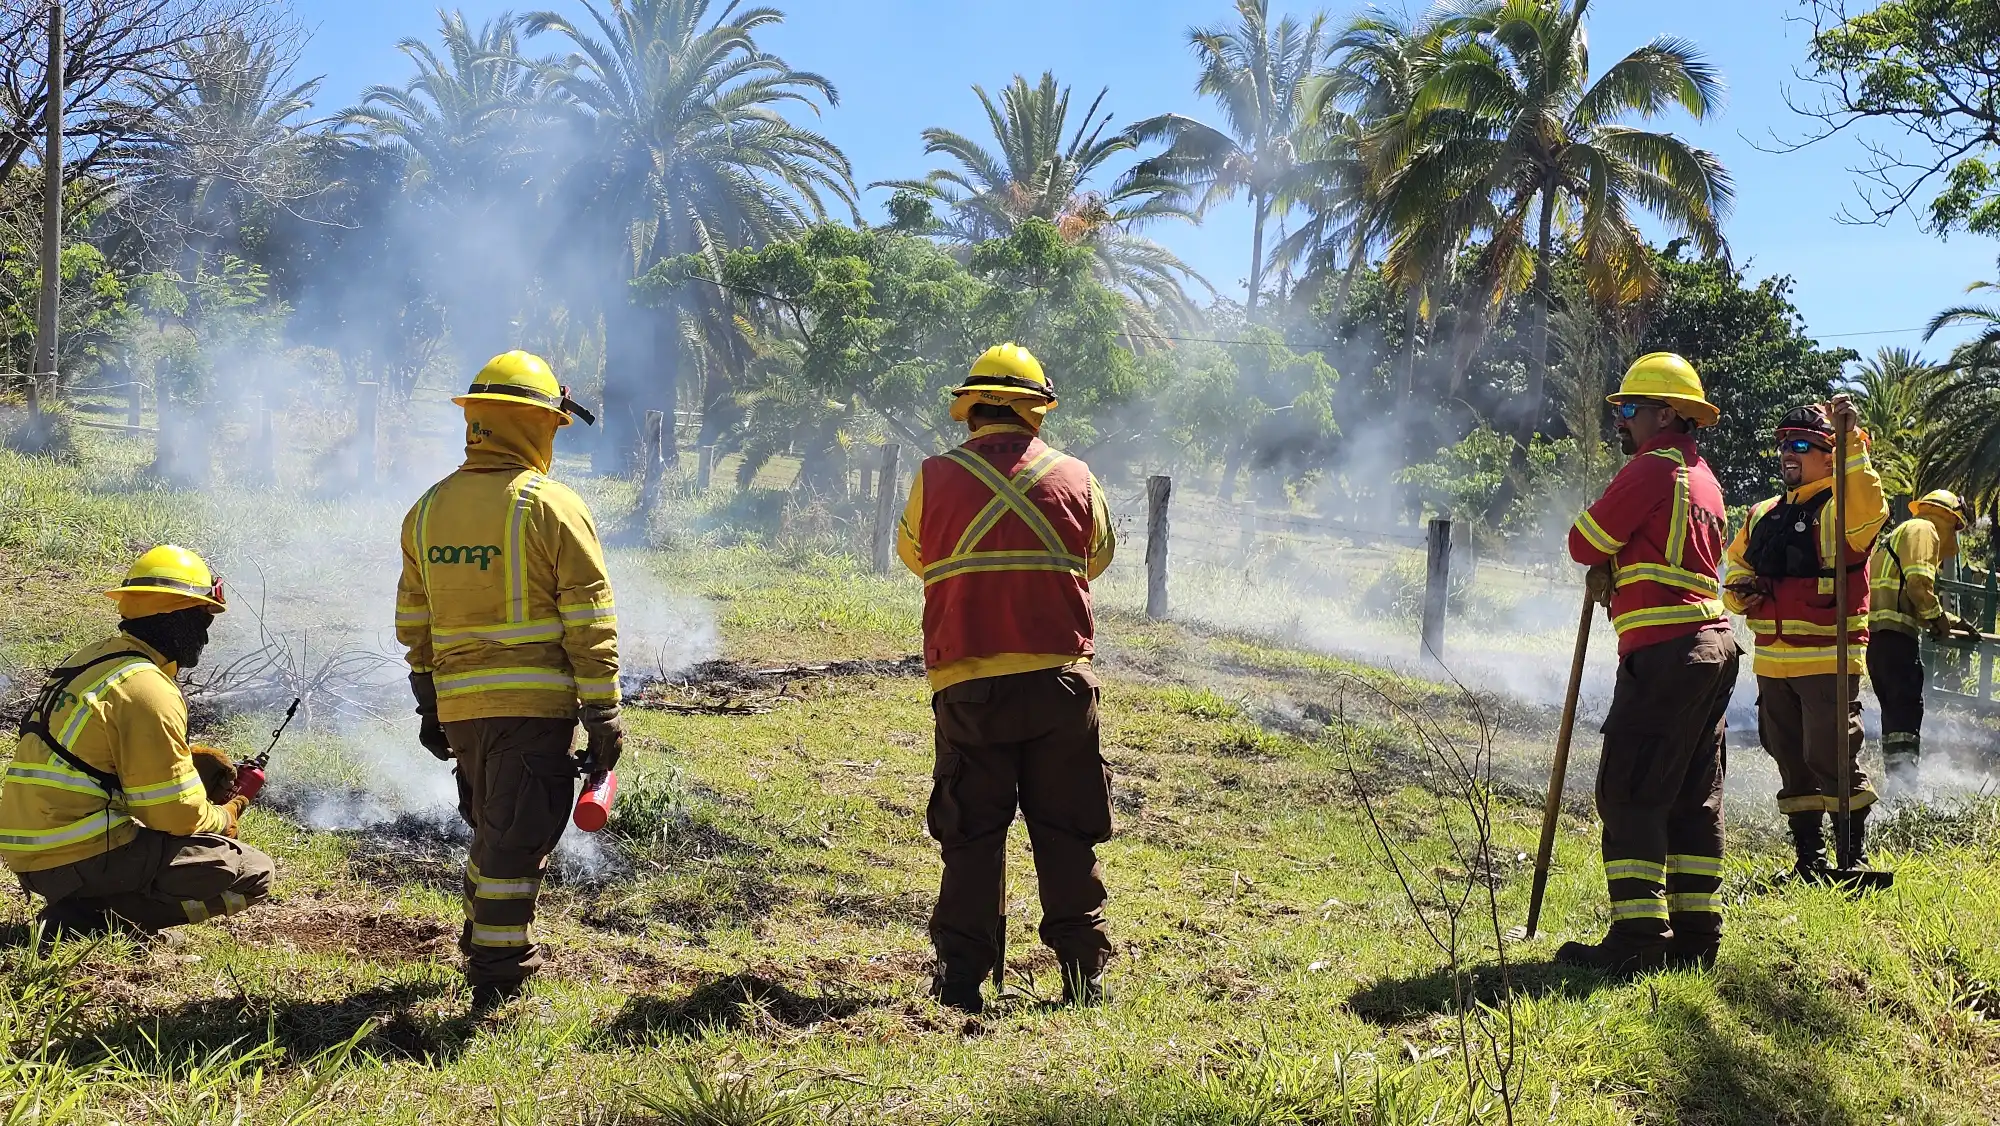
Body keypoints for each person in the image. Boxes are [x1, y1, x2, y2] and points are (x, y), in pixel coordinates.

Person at [396, 351, 624, 1011]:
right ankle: (498, 979)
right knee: (516, 843)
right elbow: (589, 616)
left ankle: (487, 944)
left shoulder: (428, 509)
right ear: (533, 425)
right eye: (551, 426)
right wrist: (604, 710)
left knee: (496, 830)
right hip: (533, 711)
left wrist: (428, 700)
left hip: (463, 713)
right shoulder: (550, 505)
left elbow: (415, 616)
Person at [897, 343, 1116, 1013]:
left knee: (971, 836)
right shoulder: (1076, 475)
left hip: (968, 687)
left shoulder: (934, 475)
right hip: (1058, 684)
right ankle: (1084, 976)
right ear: (1036, 414)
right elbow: (1097, 557)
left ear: (970, 411)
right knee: (1067, 833)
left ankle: (961, 984)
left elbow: (914, 555)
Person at [1560, 353, 1738, 974]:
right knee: (1693, 795)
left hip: (1667, 651)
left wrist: (1606, 564)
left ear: (1666, 414)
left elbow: (1584, 540)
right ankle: (1695, 938)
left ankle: (1638, 938)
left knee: (1632, 786)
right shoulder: (1705, 477)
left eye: (1631, 409)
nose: (1623, 422)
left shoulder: (1652, 467)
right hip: (1712, 648)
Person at [0, 546, 272, 937]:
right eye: (202, 621)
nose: (205, 639)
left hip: (34, 848)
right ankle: (98, 921)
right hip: (73, 851)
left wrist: (190, 762)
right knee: (250, 871)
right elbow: (173, 817)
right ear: (175, 616)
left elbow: (93, 756)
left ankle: (92, 908)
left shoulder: (96, 659)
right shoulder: (146, 687)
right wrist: (227, 814)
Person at [1722, 396, 1889, 876]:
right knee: (1790, 758)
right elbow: (1736, 566)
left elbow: (1868, 513)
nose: (1787, 454)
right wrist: (1739, 595)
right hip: (1773, 663)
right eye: (1782, 446)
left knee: (1832, 755)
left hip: (1827, 660)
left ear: (1827, 455)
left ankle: (1852, 859)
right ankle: (1808, 860)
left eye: (1800, 445)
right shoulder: (1763, 514)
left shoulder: (1842, 509)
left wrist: (1852, 440)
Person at [1867, 489, 1976, 791]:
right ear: (1949, 519)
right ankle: (1904, 787)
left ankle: (1897, 781)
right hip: (1896, 640)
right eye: (1957, 528)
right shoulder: (1924, 529)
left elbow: (1908, 593)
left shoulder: (1904, 531)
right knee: (1906, 709)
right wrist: (1940, 619)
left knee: (1896, 713)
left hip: (1880, 640)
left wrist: (1953, 621)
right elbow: (1918, 586)